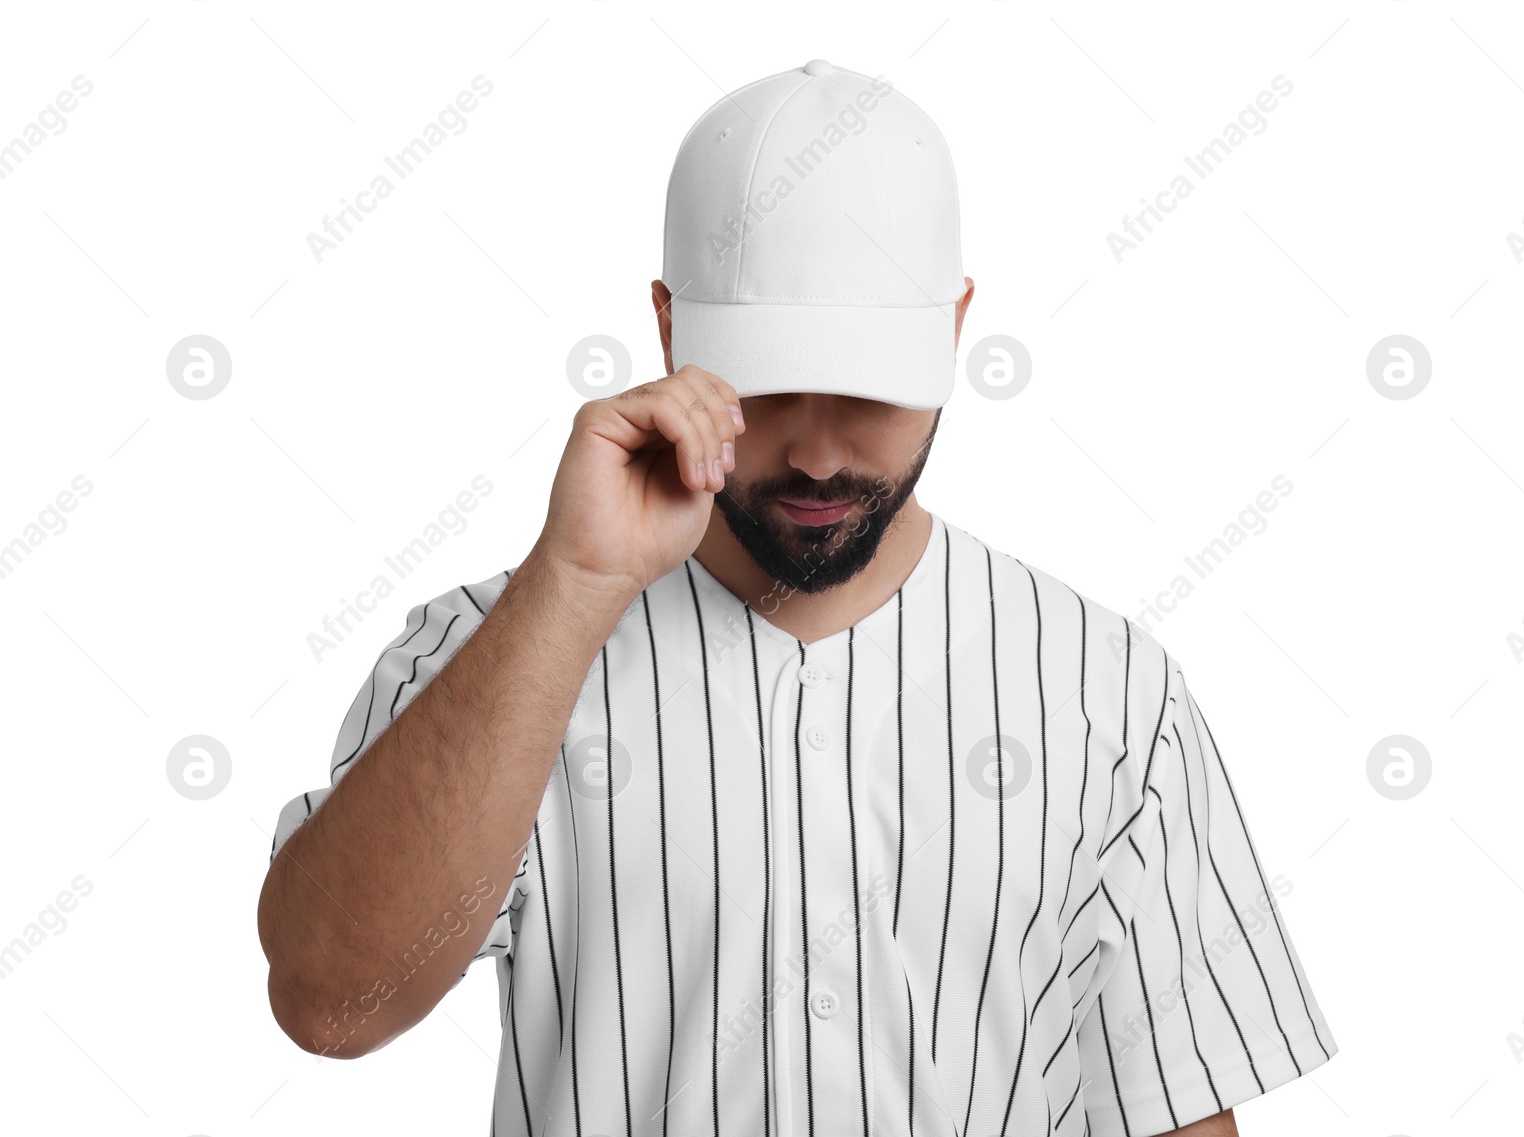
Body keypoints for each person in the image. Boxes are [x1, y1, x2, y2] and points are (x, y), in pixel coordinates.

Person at [257, 60, 1335, 1137]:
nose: (817, 452)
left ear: (955, 326)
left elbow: (1175, 1114)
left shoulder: (1109, 694)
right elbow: (330, 1004)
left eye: (867, 385)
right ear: (669, 330)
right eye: (766, 384)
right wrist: (574, 583)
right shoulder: (492, 649)